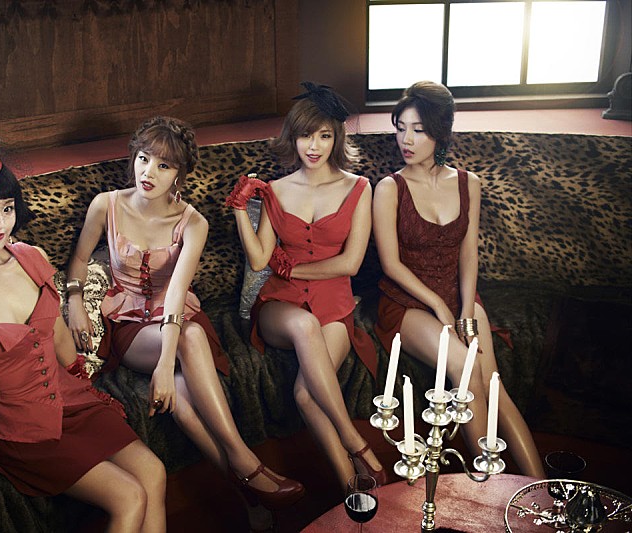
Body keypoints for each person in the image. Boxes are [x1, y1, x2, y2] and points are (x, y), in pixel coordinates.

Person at [0, 133, 167, 532]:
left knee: (154, 472)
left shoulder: (31, 257)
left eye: (7, 208)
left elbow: (59, 335)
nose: (0, 223)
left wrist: (81, 374)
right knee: (129, 496)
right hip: (19, 428)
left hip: (70, 400)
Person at [65, 116, 305, 526]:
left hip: (178, 319)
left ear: (179, 174)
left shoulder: (193, 222)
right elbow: (80, 258)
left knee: (184, 405)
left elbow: (176, 290)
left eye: (163, 165)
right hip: (130, 326)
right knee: (188, 340)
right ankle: (247, 464)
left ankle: (250, 500)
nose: (148, 172)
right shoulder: (106, 204)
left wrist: (165, 366)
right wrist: (73, 299)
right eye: (144, 158)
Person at [371, 81, 545, 477]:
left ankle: (540, 489)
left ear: (440, 132)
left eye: (418, 130)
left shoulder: (469, 183)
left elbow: (468, 254)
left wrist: (466, 310)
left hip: (459, 296)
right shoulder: (389, 188)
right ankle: (490, 485)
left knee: (493, 382)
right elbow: (391, 264)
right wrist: (437, 304)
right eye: (400, 128)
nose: (406, 140)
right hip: (406, 303)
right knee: (464, 366)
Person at [227, 82, 386, 491]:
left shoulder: (359, 188)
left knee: (304, 395)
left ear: (336, 138)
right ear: (292, 138)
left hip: (335, 306)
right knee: (303, 325)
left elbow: (350, 263)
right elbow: (260, 261)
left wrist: (293, 268)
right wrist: (241, 210)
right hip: (280, 306)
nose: (313, 147)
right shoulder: (276, 190)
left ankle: (350, 487)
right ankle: (355, 442)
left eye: (324, 136)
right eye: (304, 136)